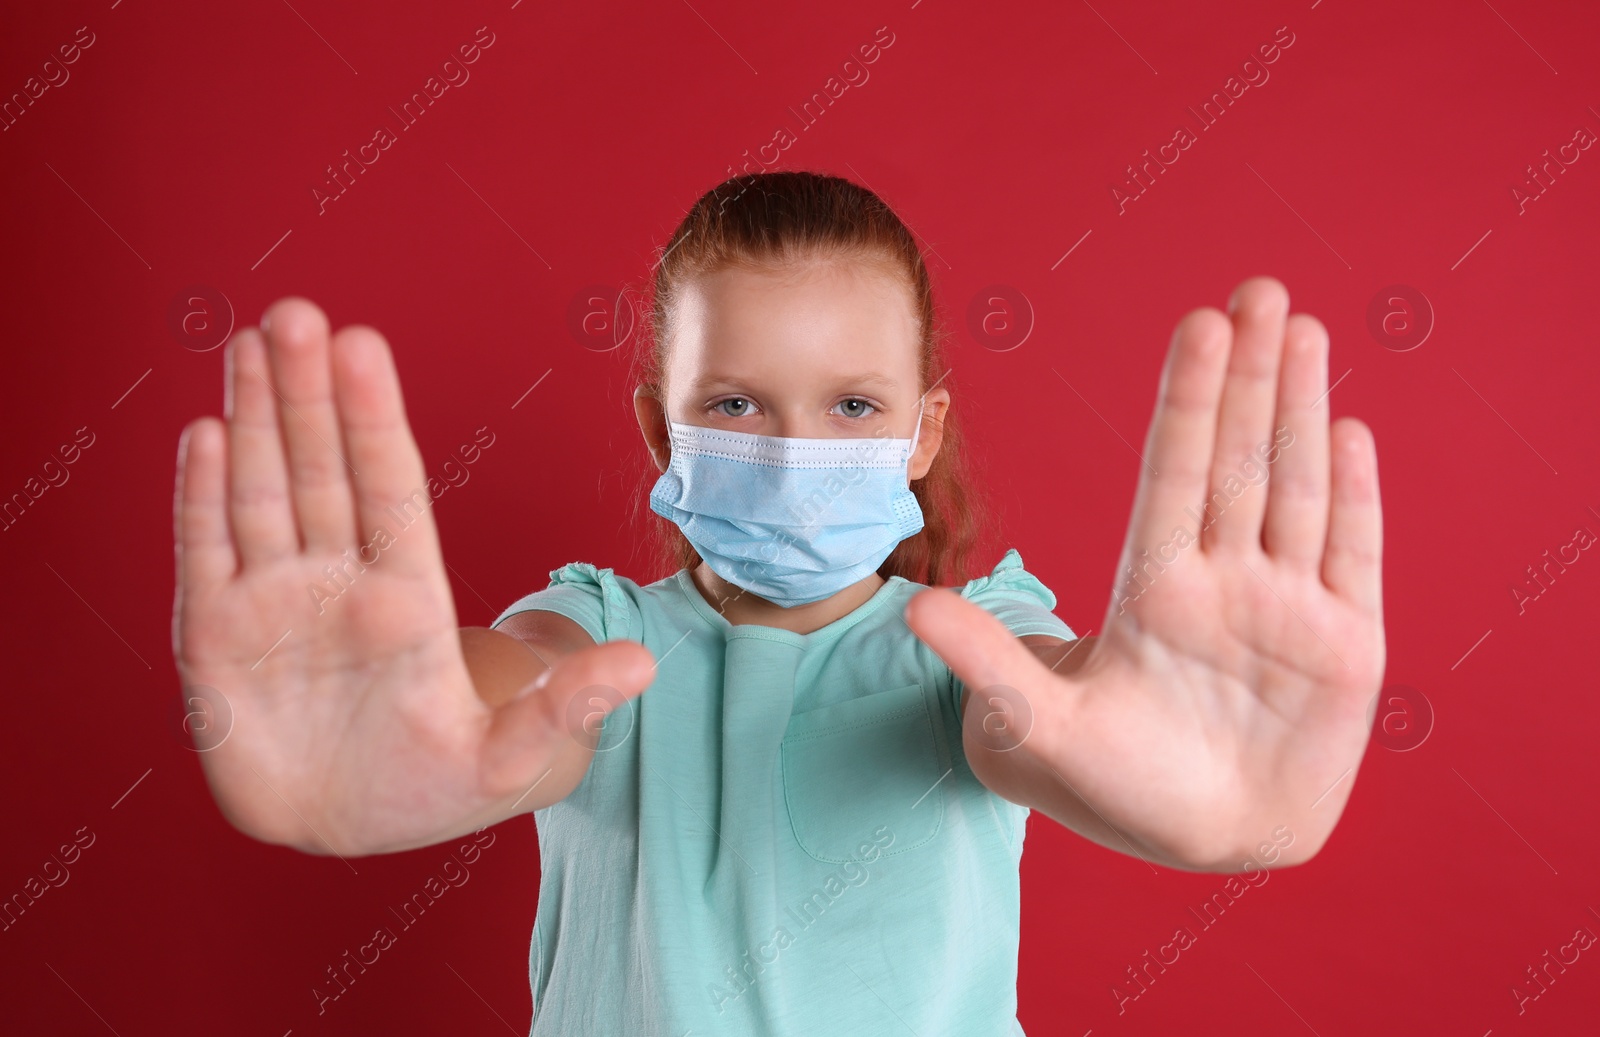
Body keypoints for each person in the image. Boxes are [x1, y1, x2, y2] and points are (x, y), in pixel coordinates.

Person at [170, 171, 1386, 1034]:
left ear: (922, 433)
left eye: (853, 406)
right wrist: (412, 725)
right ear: (660, 424)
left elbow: (1047, 713)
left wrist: (1165, 758)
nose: (796, 445)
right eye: (739, 404)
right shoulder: (601, 633)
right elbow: (510, 695)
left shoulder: (975, 644)